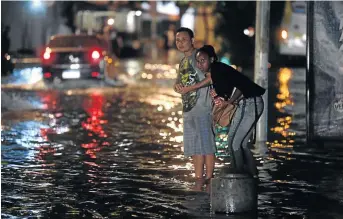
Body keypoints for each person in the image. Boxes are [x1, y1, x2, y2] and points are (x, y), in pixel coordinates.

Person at [194, 45, 265, 178]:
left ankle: (238, 177)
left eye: (202, 60)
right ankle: (253, 178)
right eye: (198, 61)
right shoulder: (218, 71)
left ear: (211, 59)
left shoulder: (217, 71)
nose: (199, 64)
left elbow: (239, 87)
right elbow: (233, 88)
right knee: (240, 144)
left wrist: (229, 101)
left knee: (234, 143)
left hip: (250, 102)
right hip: (249, 103)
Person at [173, 28, 216, 190]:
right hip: (189, 109)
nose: (180, 43)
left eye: (184, 39)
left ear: (192, 40)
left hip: (203, 107)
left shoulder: (199, 56)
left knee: (207, 144)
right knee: (195, 145)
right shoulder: (183, 61)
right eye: (177, 40)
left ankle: (210, 179)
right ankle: (198, 179)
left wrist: (191, 88)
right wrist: (176, 86)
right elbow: (178, 82)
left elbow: (212, 77)